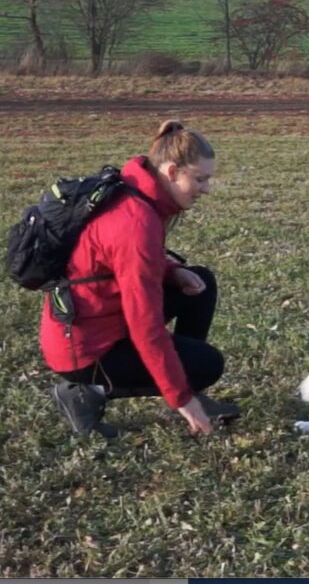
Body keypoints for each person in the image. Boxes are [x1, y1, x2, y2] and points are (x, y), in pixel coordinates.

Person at [43, 119, 239, 438]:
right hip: (85, 348)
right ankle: (84, 392)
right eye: (200, 179)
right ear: (173, 172)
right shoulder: (137, 223)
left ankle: (186, 384)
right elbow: (144, 325)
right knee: (207, 364)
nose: (207, 189)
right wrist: (182, 398)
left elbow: (116, 262)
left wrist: (173, 271)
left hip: (98, 320)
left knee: (200, 283)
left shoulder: (137, 192)